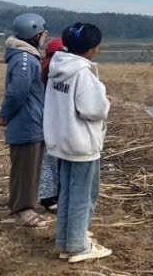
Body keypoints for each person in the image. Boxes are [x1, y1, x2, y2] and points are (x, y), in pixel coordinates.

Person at [44, 22, 112, 263]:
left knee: (67, 194)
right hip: (82, 144)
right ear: (92, 48)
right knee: (84, 195)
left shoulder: (57, 67)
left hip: (62, 140)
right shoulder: (83, 73)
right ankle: (77, 246)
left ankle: (65, 240)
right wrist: (105, 100)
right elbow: (93, 110)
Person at [0, 12, 49, 228]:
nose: (44, 36)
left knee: (28, 165)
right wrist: (4, 114)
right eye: (42, 33)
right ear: (34, 34)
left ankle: (22, 205)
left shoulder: (25, 56)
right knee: (26, 167)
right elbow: (18, 91)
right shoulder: (25, 59)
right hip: (27, 121)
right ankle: (23, 211)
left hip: (29, 120)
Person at [37, 38, 65, 212]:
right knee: (52, 159)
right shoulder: (58, 69)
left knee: (47, 159)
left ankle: (49, 196)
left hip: (42, 117)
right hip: (54, 119)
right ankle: (51, 198)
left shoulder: (42, 66)